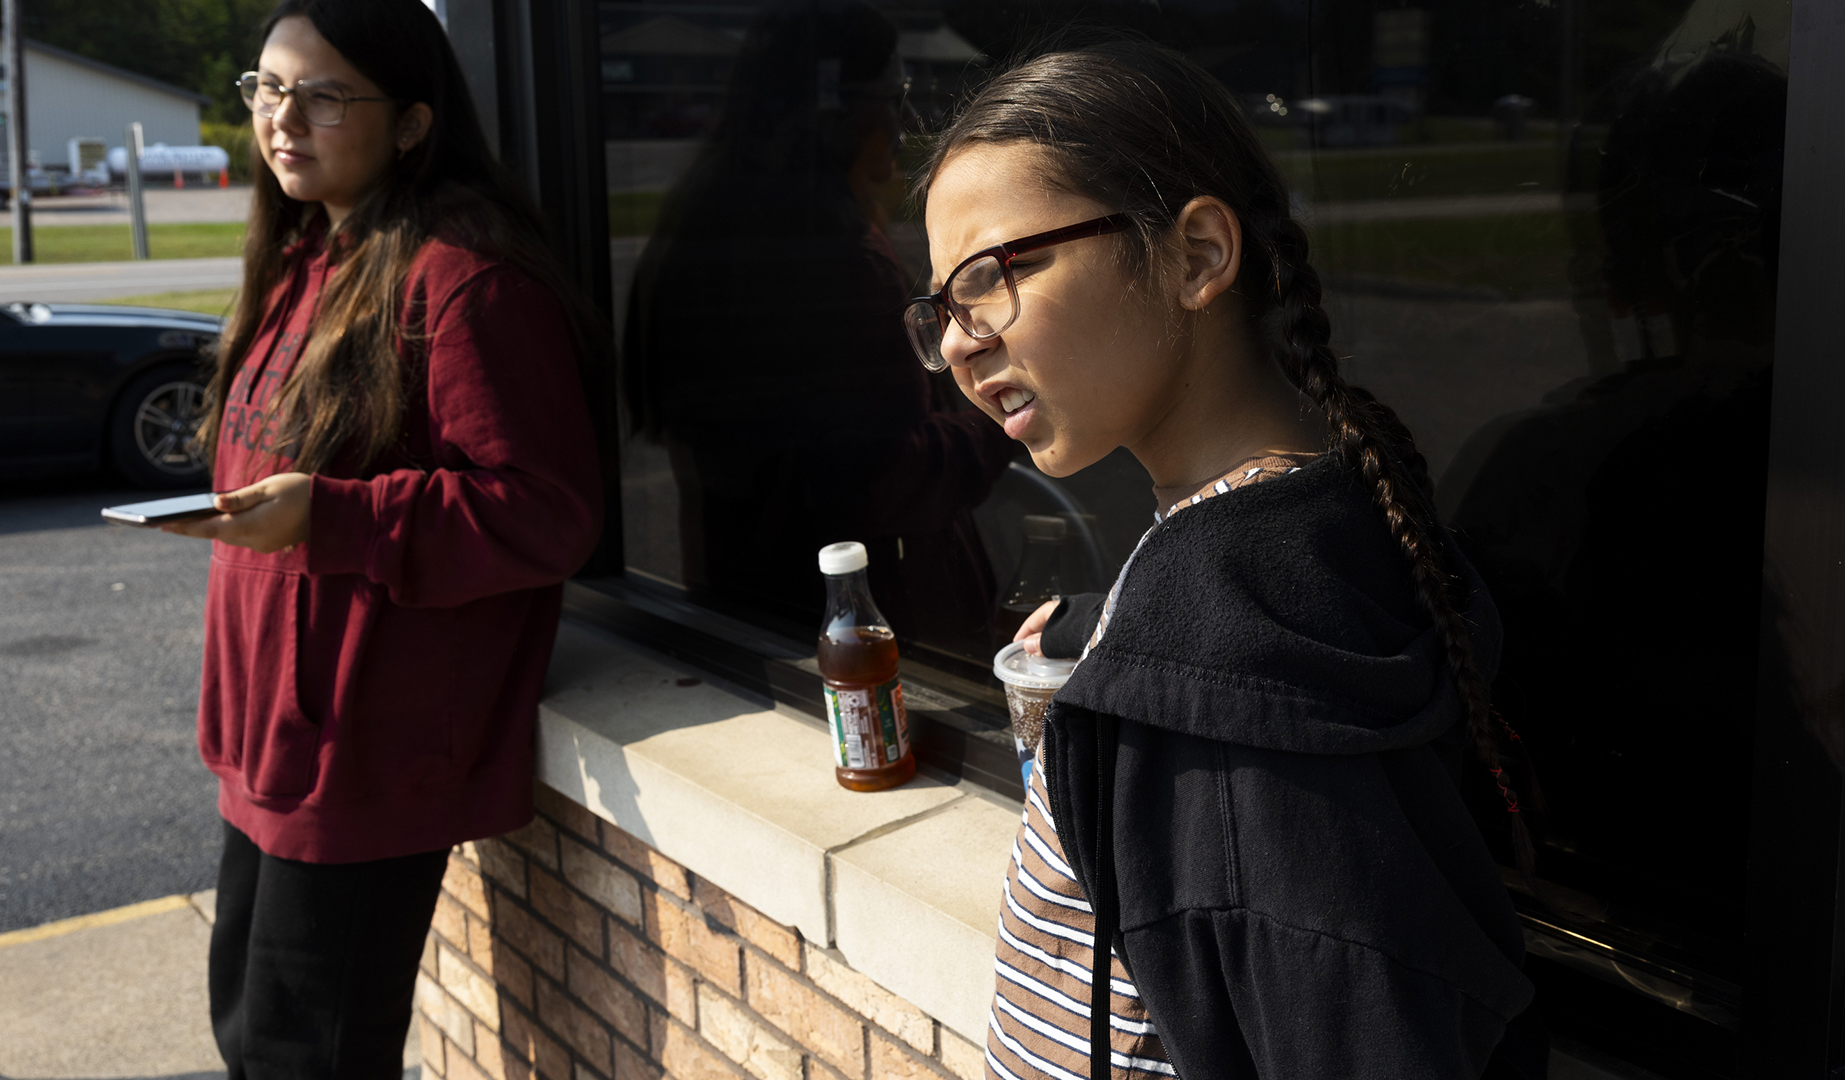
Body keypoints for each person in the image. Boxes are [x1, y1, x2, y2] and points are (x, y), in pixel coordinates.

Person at [906, 40, 1546, 1080]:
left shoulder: (1230, 678)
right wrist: (1113, 632)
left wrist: (1157, 653)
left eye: (993, 275)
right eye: (940, 308)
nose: (963, 339)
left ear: (1198, 254)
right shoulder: (1320, 529)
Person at [157, 0, 605, 1074]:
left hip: (364, 753)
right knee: (252, 1034)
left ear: (411, 122)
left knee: (307, 1054)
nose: (282, 119)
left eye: (320, 95)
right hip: (274, 745)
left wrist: (340, 515)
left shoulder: (464, 280)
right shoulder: (308, 255)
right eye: (267, 89)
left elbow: (546, 513)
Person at [624, 0, 1015, 658]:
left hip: (747, 589)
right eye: (894, 95)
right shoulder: (829, 255)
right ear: (836, 106)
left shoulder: (714, 224)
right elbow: (875, 477)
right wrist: (994, 418)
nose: (904, 119)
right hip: (860, 617)